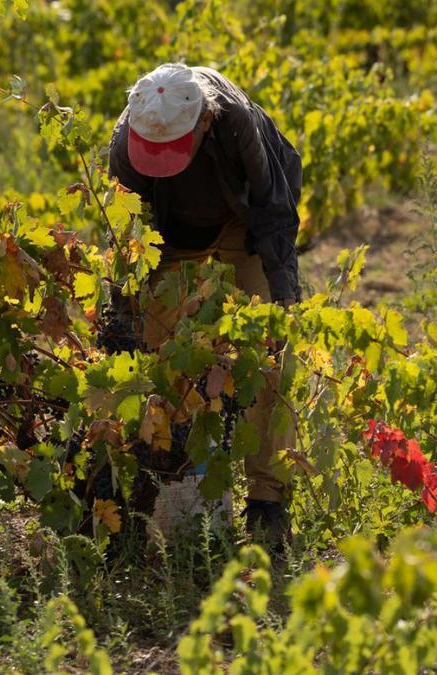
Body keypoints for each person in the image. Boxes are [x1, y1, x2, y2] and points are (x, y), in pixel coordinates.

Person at [107, 63, 302, 547]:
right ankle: (164, 490)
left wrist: (283, 301)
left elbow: (274, 210)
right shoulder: (124, 140)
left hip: (244, 227)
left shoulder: (236, 121)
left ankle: (267, 502)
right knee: (159, 365)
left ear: (204, 122)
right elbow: (128, 240)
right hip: (168, 240)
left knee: (268, 357)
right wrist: (122, 321)